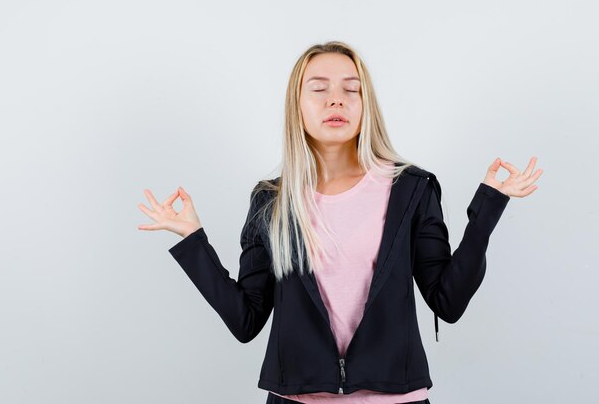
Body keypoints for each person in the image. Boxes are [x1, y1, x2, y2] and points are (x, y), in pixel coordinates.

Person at [137, 41, 543, 404]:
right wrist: (192, 239)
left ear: (367, 105)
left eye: (352, 90)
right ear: (296, 105)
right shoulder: (271, 200)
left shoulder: (412, 189)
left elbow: (448, 302)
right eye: (319, 89)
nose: (337, 101)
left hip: (396, 400)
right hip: (295, 400)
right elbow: (246, 320)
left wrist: (489, 206)